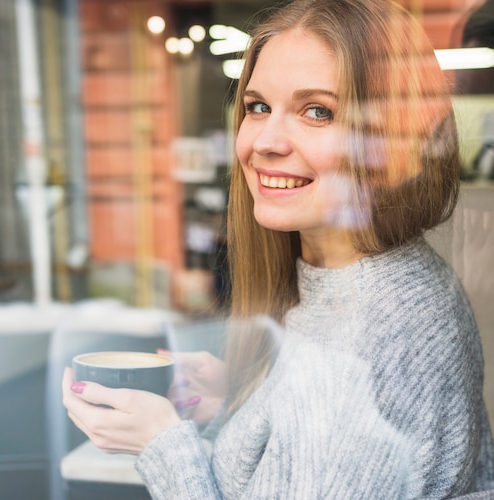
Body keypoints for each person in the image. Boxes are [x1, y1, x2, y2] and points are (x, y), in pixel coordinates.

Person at [62, 0, 494, 497]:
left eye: (317, 111)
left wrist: (163, 446)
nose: (265, 141)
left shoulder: (384, 329)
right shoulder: (349, 281)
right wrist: (244, 404)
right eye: (258, 106)